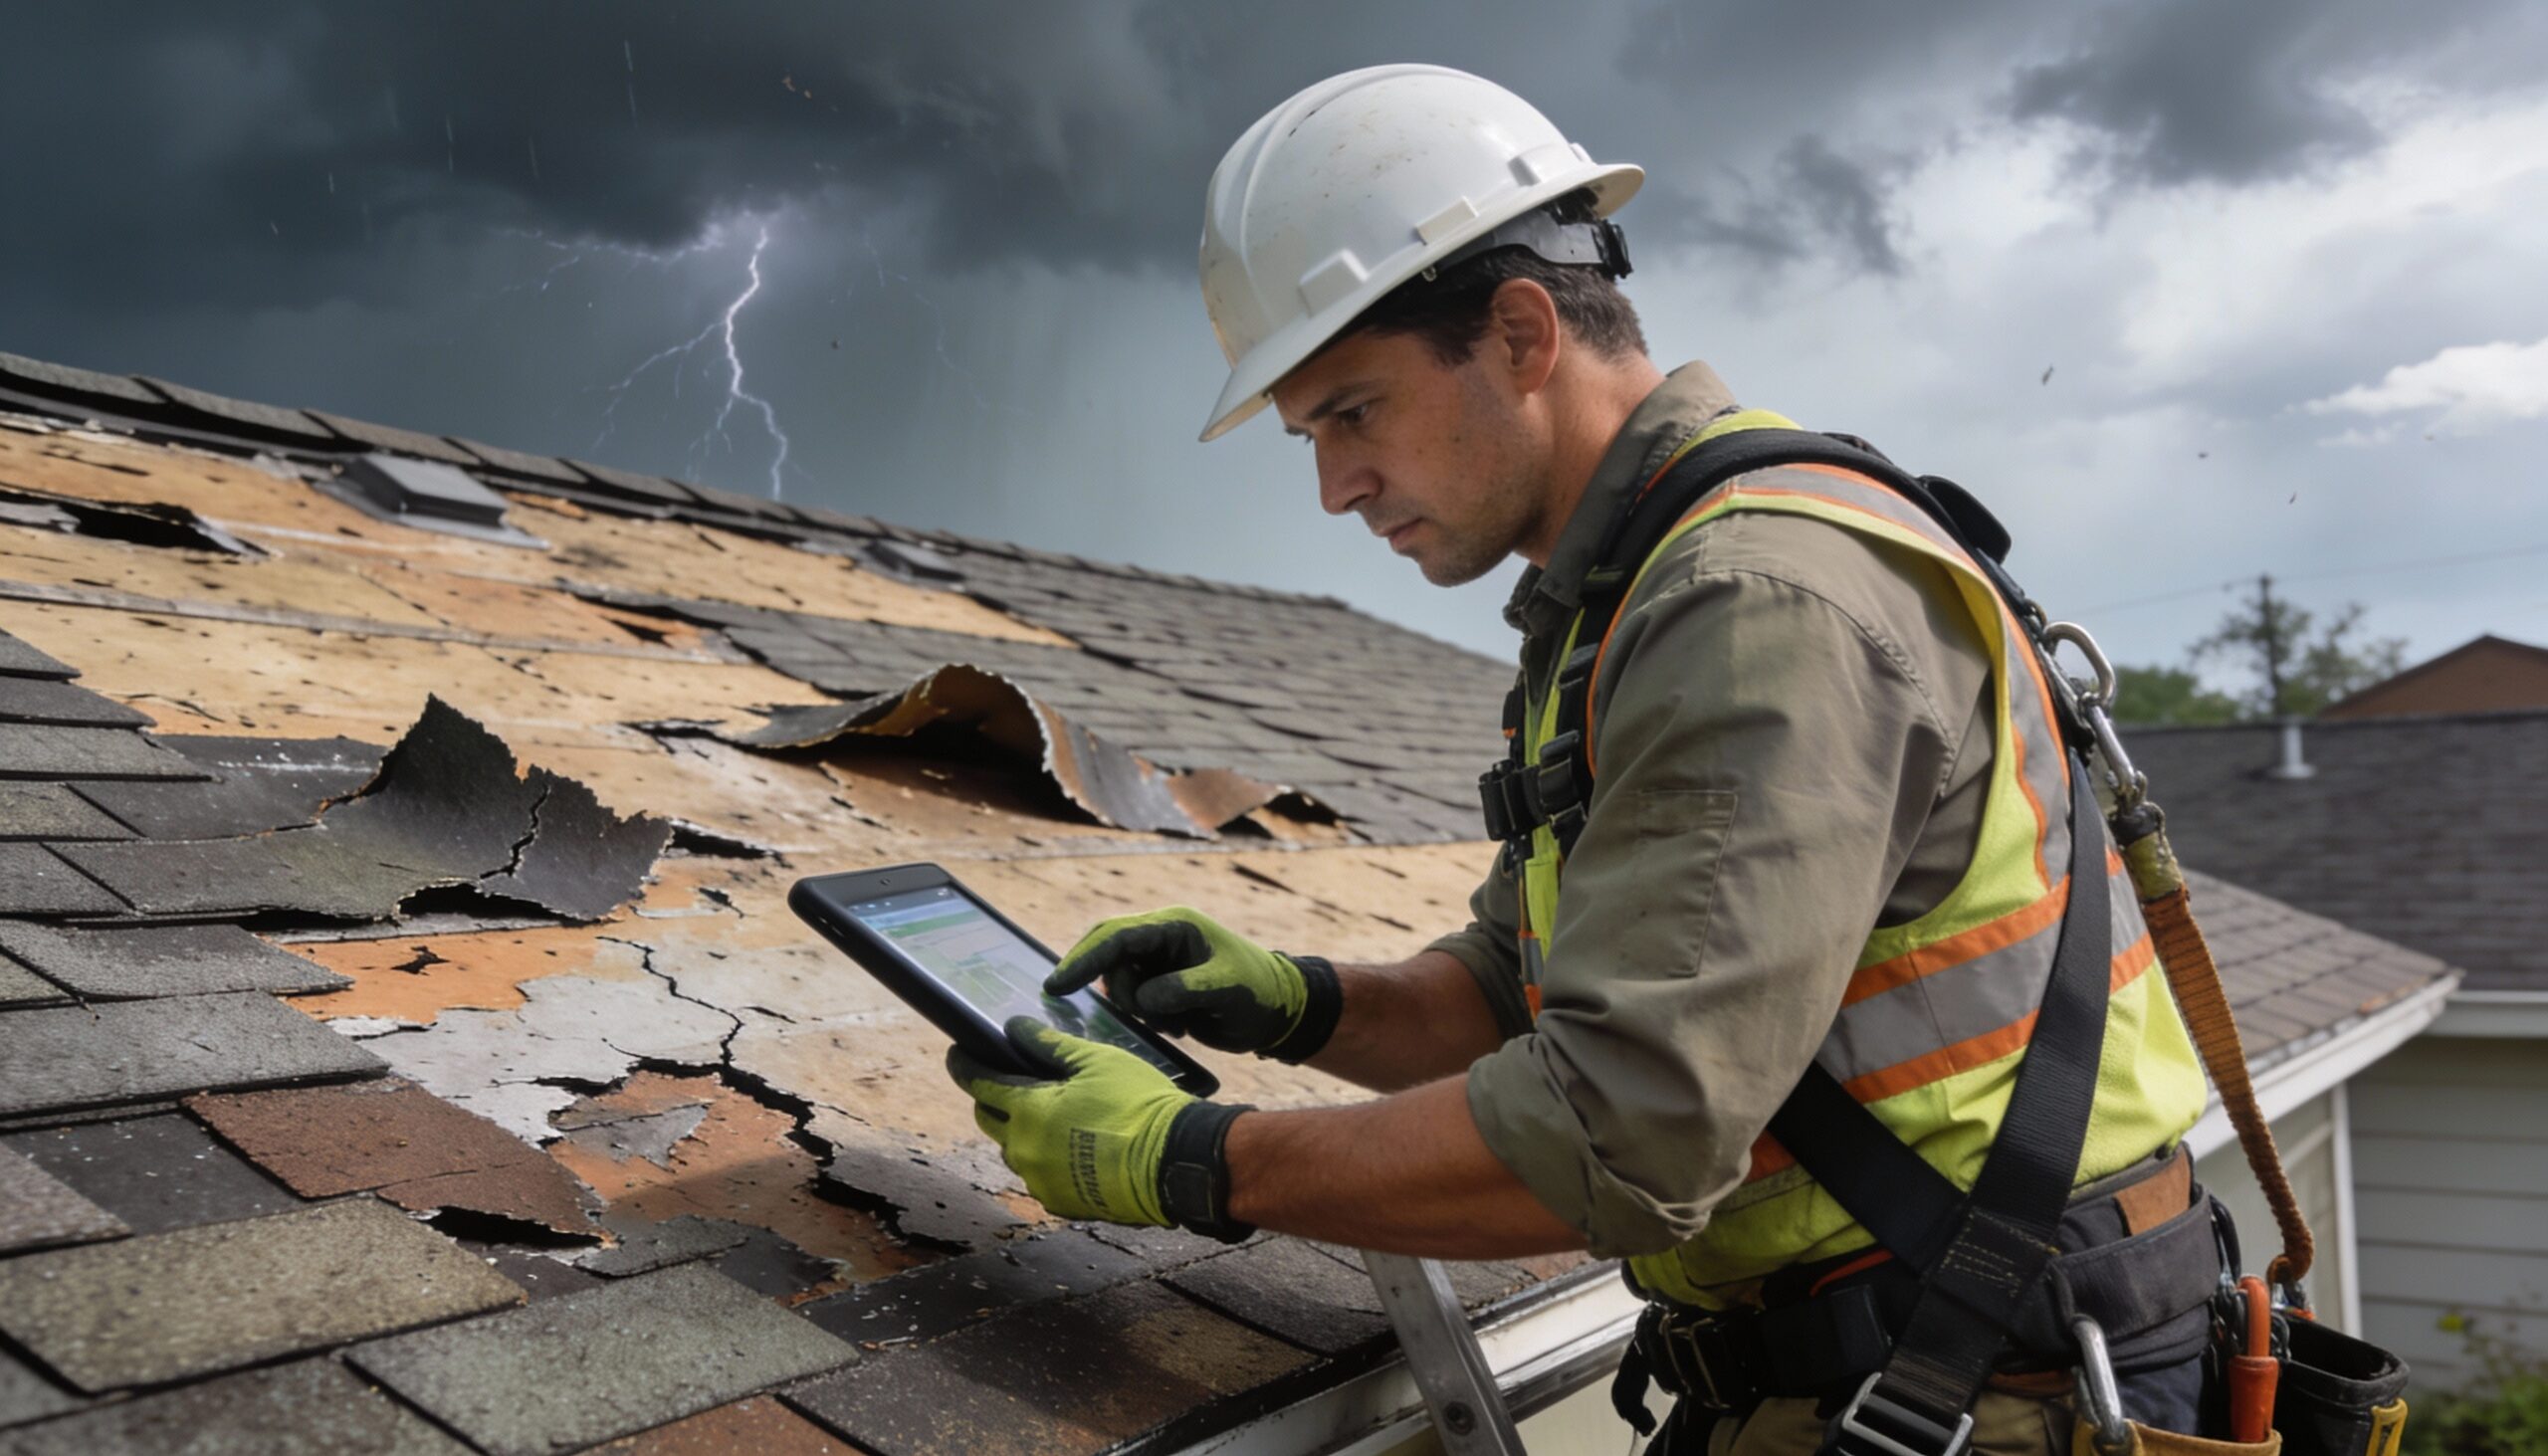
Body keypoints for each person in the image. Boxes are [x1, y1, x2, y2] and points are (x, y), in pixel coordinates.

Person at [950, 64, 2222, 1455]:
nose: (1334, 487)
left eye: (1354, 413)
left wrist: (1194, 1161)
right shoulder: (1634, 595)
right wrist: (1301, 1003)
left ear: (1519, 332)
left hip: (1980, 1378)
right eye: (1311, 436)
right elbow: (1527, 993)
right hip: (1909, 1359)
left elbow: (1621, 1131)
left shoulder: (1753, 602)